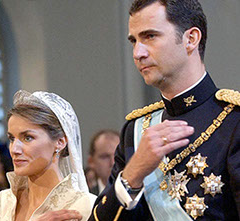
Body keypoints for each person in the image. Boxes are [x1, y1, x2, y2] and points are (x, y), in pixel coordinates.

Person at [88, 0, 240, 220]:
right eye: (133, 41)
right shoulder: (135, 131)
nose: (137, 53)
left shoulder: (233, 122)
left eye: (150, 36)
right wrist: (132, 174)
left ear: (191, 39)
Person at [0, 90, 96, 221]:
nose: (14, 149)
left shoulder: (85, 206)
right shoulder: (2, 203)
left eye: (28, 138)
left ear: (60, 142)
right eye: (12, 138)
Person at [87, 129, 119, 195]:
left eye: (117, 156)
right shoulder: (87, 199)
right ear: (91, 162)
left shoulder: (142, 196)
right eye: (105, 157)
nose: (113, 163)